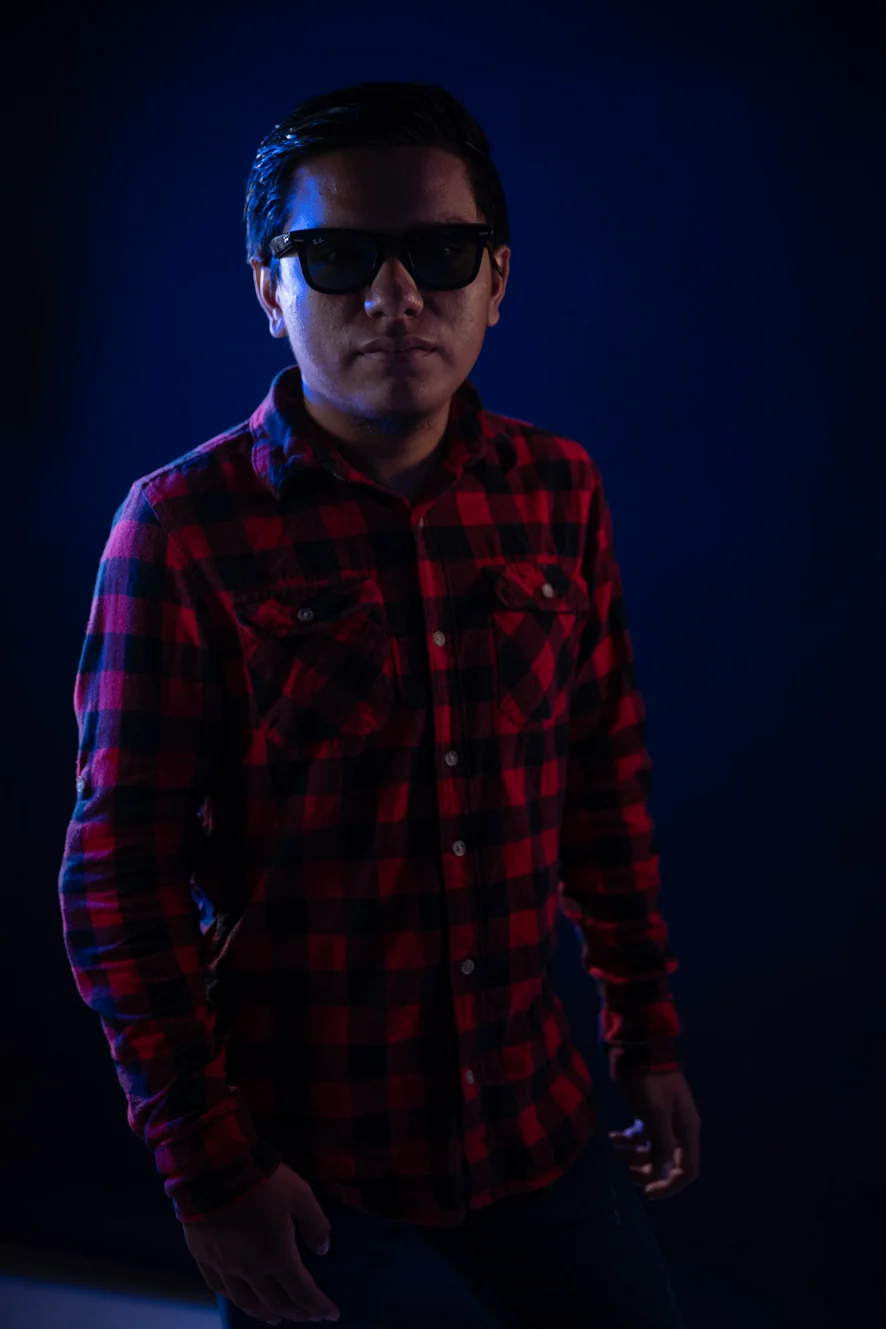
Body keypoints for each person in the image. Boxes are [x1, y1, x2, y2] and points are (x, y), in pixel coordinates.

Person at [58, 79, 701, 1329]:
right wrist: (206, 1164)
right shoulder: (180, 531)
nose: (396, 295)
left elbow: (600, 781)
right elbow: (115, 875)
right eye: (340, 257)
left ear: (498, 279)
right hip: (306, 1162)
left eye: (441, 254)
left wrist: (647, 1030)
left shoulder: (557, 492)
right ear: (269, 289)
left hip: (533, 1125)